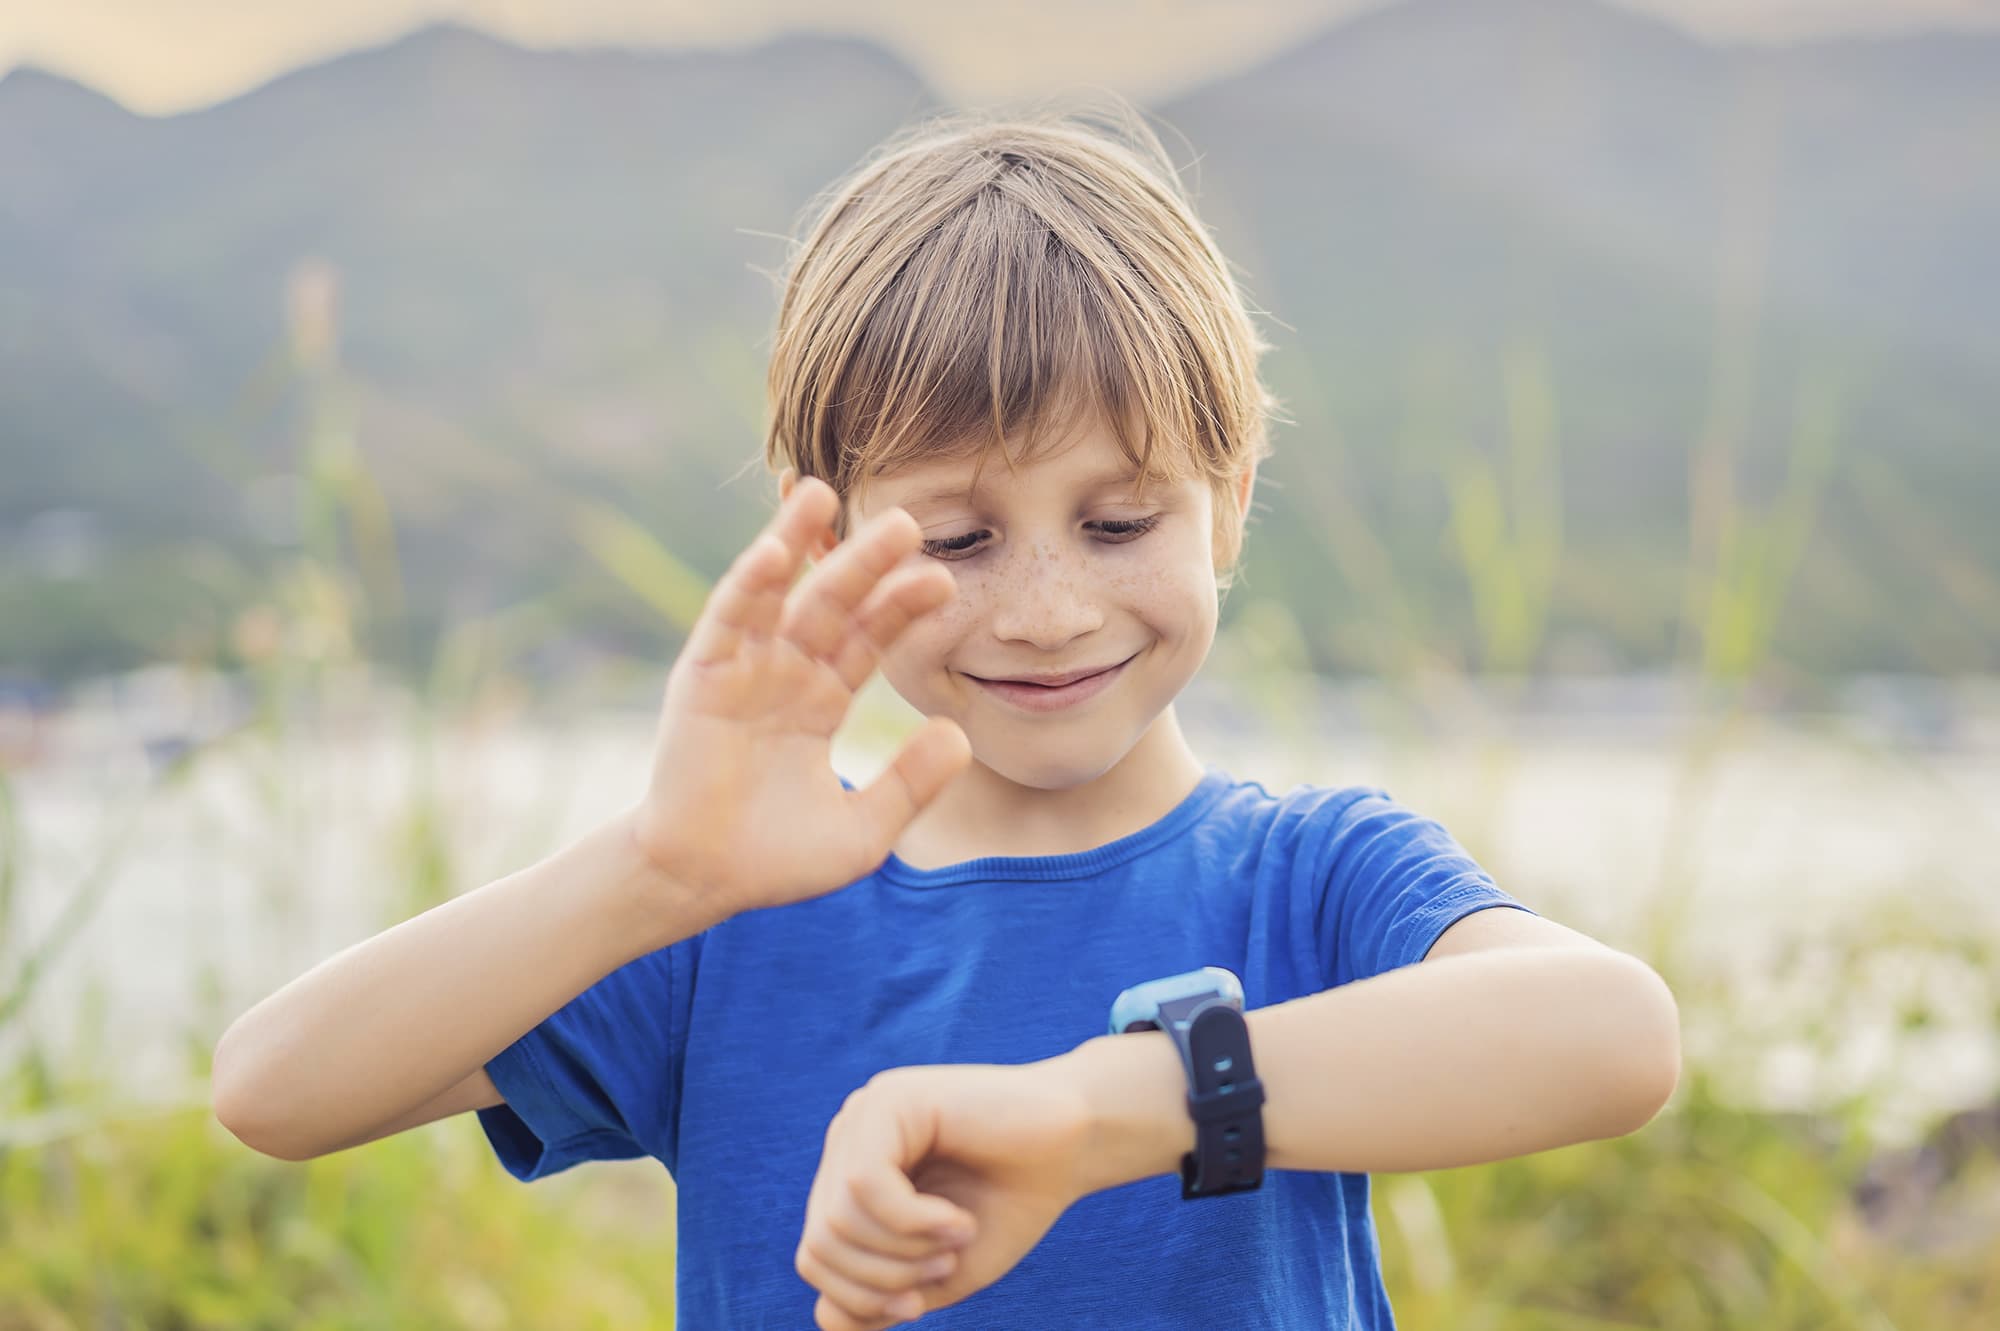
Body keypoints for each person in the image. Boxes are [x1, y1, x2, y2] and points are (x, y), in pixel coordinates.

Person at [211, 102, 1681, 1330]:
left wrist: (1102, 1112)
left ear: (1227, 505)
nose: (1046, 606)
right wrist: (656, 871)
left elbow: (1608, 1038)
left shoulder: (1311, 879)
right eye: (959, 542)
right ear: (827, 529)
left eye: (1117, 522)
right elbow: (276, 1088)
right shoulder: (728, 919)